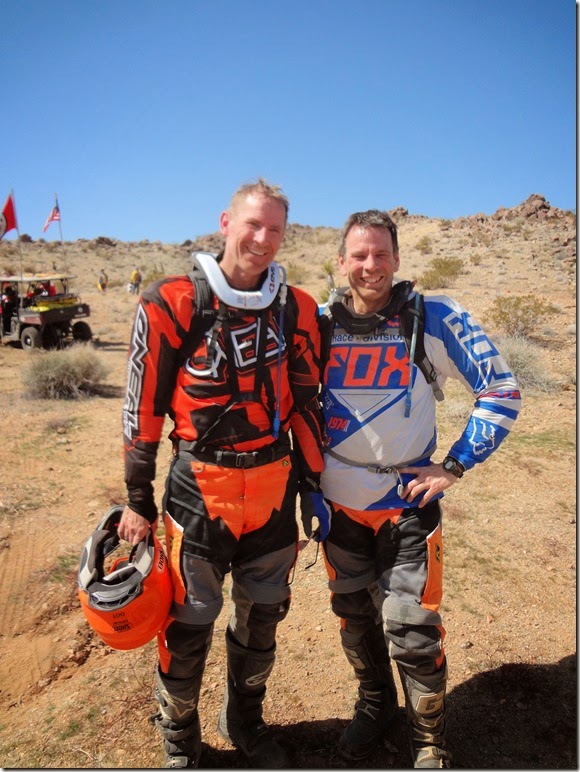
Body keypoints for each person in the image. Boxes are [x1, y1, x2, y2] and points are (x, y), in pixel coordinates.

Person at [119, 179, 328, 769]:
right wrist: (137, 498)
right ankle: (180, 738)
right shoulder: (172, 301)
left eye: (275, 229)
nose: (262, 238)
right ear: (226, 222)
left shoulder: (297, 308)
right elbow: (142, 408)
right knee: (188, 625)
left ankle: (245, 721)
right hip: (198, 490)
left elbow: (306, 402)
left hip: (273, 487)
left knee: (263, 619)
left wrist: (314, 485)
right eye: (252, 224)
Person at [316, 209, 521, 768]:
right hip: (337, 508)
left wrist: (454, 464)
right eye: (359, 255)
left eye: (381, 254)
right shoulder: (317, 323)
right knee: (354, 621)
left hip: (407, 505)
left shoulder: (435, 316)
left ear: (398, 259)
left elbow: (501, 389)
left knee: (412, 629)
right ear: (341, 262)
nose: (371, 265)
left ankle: (428, 738)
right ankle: (375, 704)